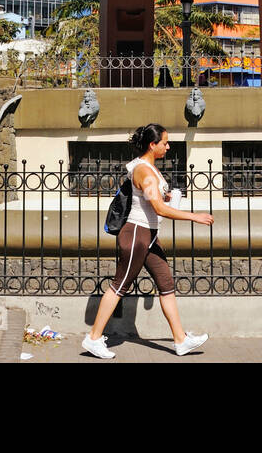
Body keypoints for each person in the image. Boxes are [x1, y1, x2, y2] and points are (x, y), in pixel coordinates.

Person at [82, 123, 214, 359]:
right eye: (165, 142)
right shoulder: (144, 171)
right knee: (120, 285)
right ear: (153, 145)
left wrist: (167, 196)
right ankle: (93, 338)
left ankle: (181, 341)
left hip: (149, 235)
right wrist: (195, 216)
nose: (168, 146)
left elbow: (153, 200)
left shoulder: (149, 168)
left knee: (166, 284)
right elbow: (159, 209)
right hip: (137, 234)